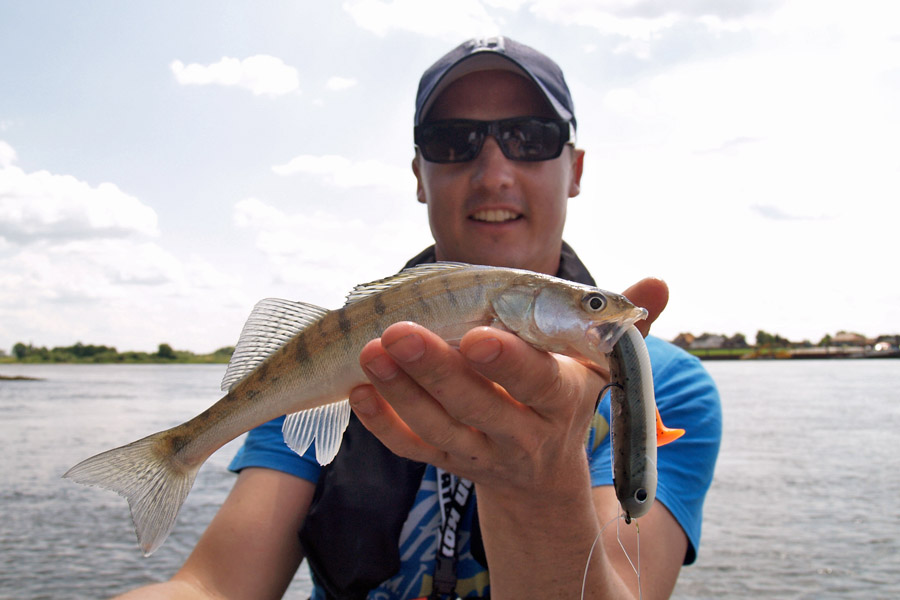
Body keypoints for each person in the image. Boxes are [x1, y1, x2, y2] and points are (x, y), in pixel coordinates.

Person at [118, 36, 721, 600]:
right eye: (452, 140)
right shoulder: (312, 368)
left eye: (531, 136)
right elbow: (214, 585)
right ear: (418, 176)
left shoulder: (670, 389)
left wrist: (535, 488)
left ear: (577, 170)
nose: (494, 173)